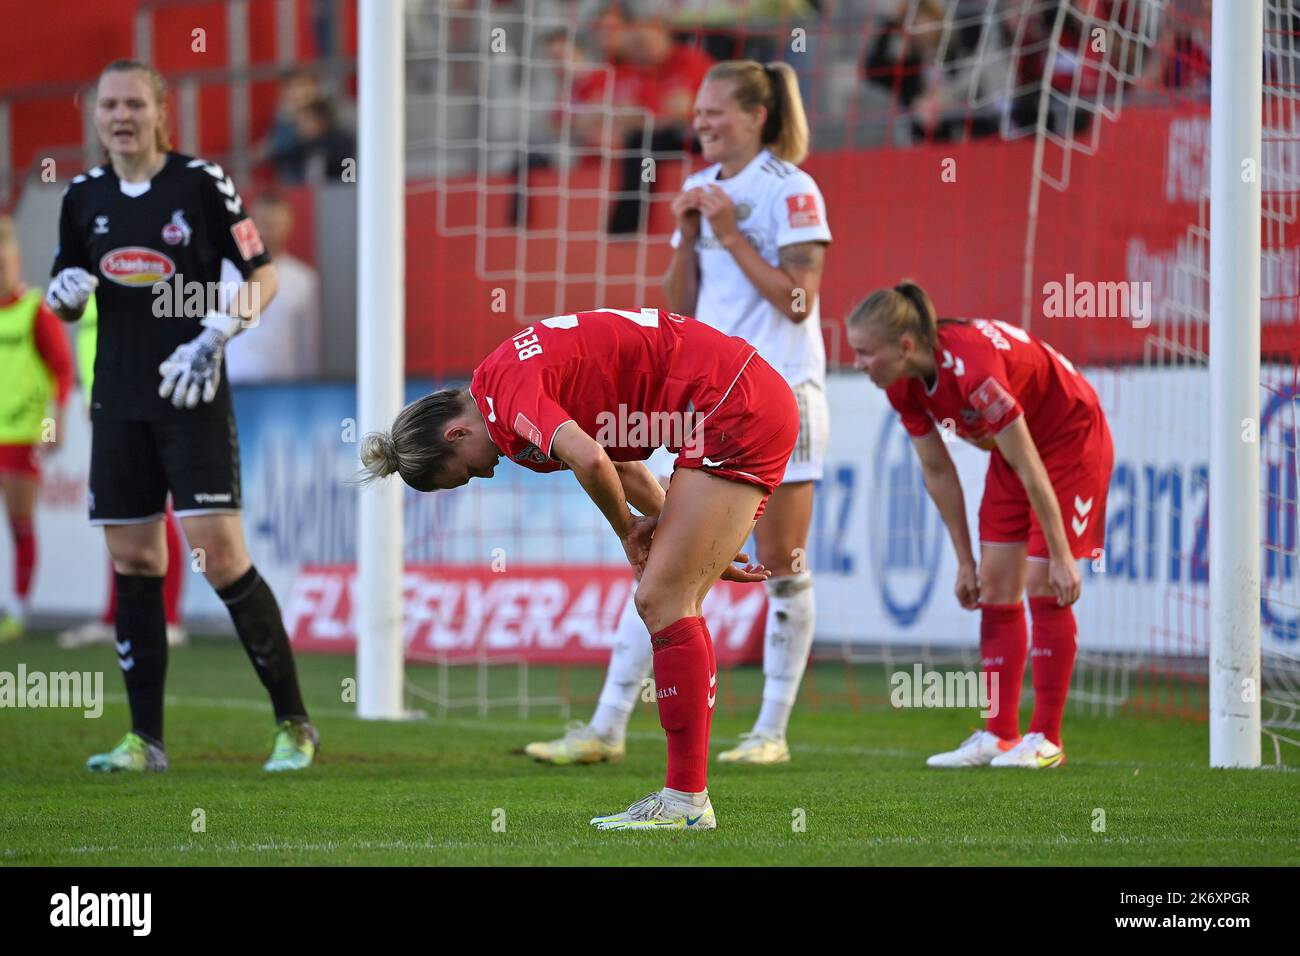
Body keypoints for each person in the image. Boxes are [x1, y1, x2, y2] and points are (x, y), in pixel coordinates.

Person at [360, 307, 799, 829]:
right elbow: (622, 463)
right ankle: (684, 798)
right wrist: (687, 542)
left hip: (728, 405)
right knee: (670, 595)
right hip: (737, 396)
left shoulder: (505, 401)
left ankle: (685, 802)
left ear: (455, 436)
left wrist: (629, 533)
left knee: (660, 599)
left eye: (466, 474)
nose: (484, 474)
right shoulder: (500, 384)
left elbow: (591, 460)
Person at [526, 59, 829, 768]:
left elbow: (799, 302)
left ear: (758, 117)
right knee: (664, 564)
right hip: (702, 396)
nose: (703, 125)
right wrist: (692, 236)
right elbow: (680, 307)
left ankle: (771, 732)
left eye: (717, 113)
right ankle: (606, 727)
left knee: (782, 564)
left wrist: (727, 235)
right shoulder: (700, 190)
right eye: (697, 115)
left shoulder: (793, 190)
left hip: (780, 394)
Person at [47, 59, 318, 773]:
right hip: (118, 401)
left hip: (192, 393)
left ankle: (294, 724)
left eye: (135, 102)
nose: (121, 116)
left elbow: (262, 275)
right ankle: (146, 742)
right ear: (96, 115)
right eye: (109, 105)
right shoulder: (82, 197)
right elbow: (65, 292)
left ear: (162, 111)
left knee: (219, 556)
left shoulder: (200, 184)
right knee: (133, 557)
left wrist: (219, 333)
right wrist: (65, 296)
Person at [845, 281, 1114, 769]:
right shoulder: (903, 386)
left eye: (865, 353)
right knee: (994, 583)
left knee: (1041, 581)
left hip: (1071, 440)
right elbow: (939, 471)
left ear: (905, 346)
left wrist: (1060, 555)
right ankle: (1000, 735)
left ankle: (1047, 740)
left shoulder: (976, 373)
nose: (859, 364)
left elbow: (1031, 464)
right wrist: (965, 562)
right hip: (1018, 453)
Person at [55, 292, 188, 650]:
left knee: (157, 512)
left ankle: (170, 618)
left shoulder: (134, 273)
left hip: (141, 405)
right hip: (104, 403)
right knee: (118, 515)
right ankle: (115, 617)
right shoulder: (89, 275)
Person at [0, 215, 74, 641]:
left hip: (23, 433)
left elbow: (61, 372)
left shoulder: (35, 309)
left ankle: (18, 608)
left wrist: (52, 425)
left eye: (5, 261)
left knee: (19, 522)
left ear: (18, 260)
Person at [222, 194, 323, 382]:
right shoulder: (222, 273)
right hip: (232, 379)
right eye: (264, 222)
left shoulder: (303, 280)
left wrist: (310, 384)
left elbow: (309, 342)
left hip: (283, 382)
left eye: (277, 223)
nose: (269, 231)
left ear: (289, 225)